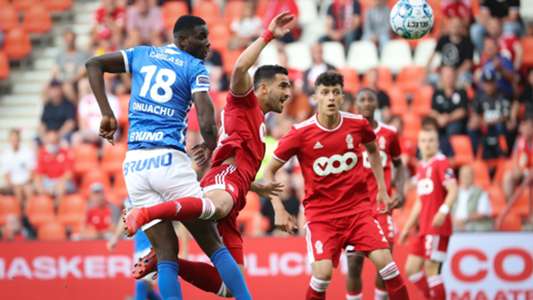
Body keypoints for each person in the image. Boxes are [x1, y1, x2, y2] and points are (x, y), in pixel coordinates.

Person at [119, 12, 295, 298]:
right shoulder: (244, 102)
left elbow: (245, 164)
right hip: (225, 179)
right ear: (263, 88)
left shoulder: (259, 123)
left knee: (227, 286)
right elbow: (239, 69)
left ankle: (168, 261)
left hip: (238, 189)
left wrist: (258, 187)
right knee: (216, 208)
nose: (288, 92)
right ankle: (145, 214)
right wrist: (268, 35)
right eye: (283, 86)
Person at [85, 15, 251, 300]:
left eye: (207, 35)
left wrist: (107, 113)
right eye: (201, 36)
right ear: (182, 40)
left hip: (135, 166)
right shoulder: (194, 67)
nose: (208, 42)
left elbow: (94, 64)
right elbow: (208, 120)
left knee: (165, 255)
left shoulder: (142, 54)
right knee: (212, 244)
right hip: (169, 162)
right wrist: (218, 153)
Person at [264, 71, 409, 300]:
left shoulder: (358, 124)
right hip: (322, 216)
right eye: (325, 93)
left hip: (358, 211)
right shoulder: (300, 133)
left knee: (388, 267)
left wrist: (382, 188)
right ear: (316, 97)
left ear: (342, 97)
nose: (331, 98)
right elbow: (269, 171)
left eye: (336, 93)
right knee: (321, 277)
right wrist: (279, 208)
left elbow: (373, 150)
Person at [344, 88, 408, 300]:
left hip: (381, 208)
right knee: (354, 264)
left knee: (385, 265)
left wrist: (400, 190)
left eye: (370, 99)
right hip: (355, 209)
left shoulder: (389, 134)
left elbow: (400, 165)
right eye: (362, 99)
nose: (367, 103)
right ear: (356, 105)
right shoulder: (347, 133)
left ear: (376, 104)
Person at [399, 126, 458, 300]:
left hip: (437, 227)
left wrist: (443, 211)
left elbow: (453, 189)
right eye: (424, 141)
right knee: (411, 269)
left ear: (437, 142)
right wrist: (407, 228)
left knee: (432, 269)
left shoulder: (441, 162)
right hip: (423, 228)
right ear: (419, 144)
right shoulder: (422, 167)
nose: (427, 144)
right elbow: (420, 201)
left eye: (431, 140)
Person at [430, 66, 469, 156]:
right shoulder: (437, 92)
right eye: (446, 76)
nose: (449, 79)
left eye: (451, 76)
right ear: (442, 78)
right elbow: (433, 111)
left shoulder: (461, 92)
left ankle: (448, 153)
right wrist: (439, 118)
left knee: (453, 128)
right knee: (430, 125)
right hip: (440, 121)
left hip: (454, 122)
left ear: (455, 77)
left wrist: (448, 118)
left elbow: (463, 111)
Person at [34, 130, 75, 204]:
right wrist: (40, 184)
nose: (52, 144)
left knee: (61, 187)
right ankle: (47, 207)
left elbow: (68, 175)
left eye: (54, 141)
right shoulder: (42, 153)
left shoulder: (65, 152)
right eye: (50, 142)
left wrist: (57, 183)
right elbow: (39, 173)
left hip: (62, 182)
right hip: (48, 182)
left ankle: (57, 210)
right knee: (36, 185)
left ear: (58, 142)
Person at [453, 165, 494, 231]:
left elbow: (482, 213)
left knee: (472, 228)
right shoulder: (454, 192)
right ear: (459, 177)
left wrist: (464, 220)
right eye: (463, 175)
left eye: (468, 175)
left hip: (472, 224)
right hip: (455, 224)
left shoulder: (480, 192)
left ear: (473, 176)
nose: (466, 177)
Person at [1, 129, 35, 207]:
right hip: (13, 183)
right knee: (18, 190)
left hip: (26, 182)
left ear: (19, 140)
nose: (14, 141)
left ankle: (27, 213)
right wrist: (13, 184)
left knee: (28, 191)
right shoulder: (5, 154)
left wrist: (24, 183)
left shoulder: (27, 152)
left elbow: (31, 171)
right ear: (9, 140)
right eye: (12, 139)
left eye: (16, 139)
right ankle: (22, 214)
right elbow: (6, 174)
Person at [503, 117, 533, 202]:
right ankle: (510, 207)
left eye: (526, 127)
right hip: (523, 173)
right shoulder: (519, 141)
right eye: (522, 127)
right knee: (508, 177)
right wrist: (516, 169)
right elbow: (515, 160)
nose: (522, 130)